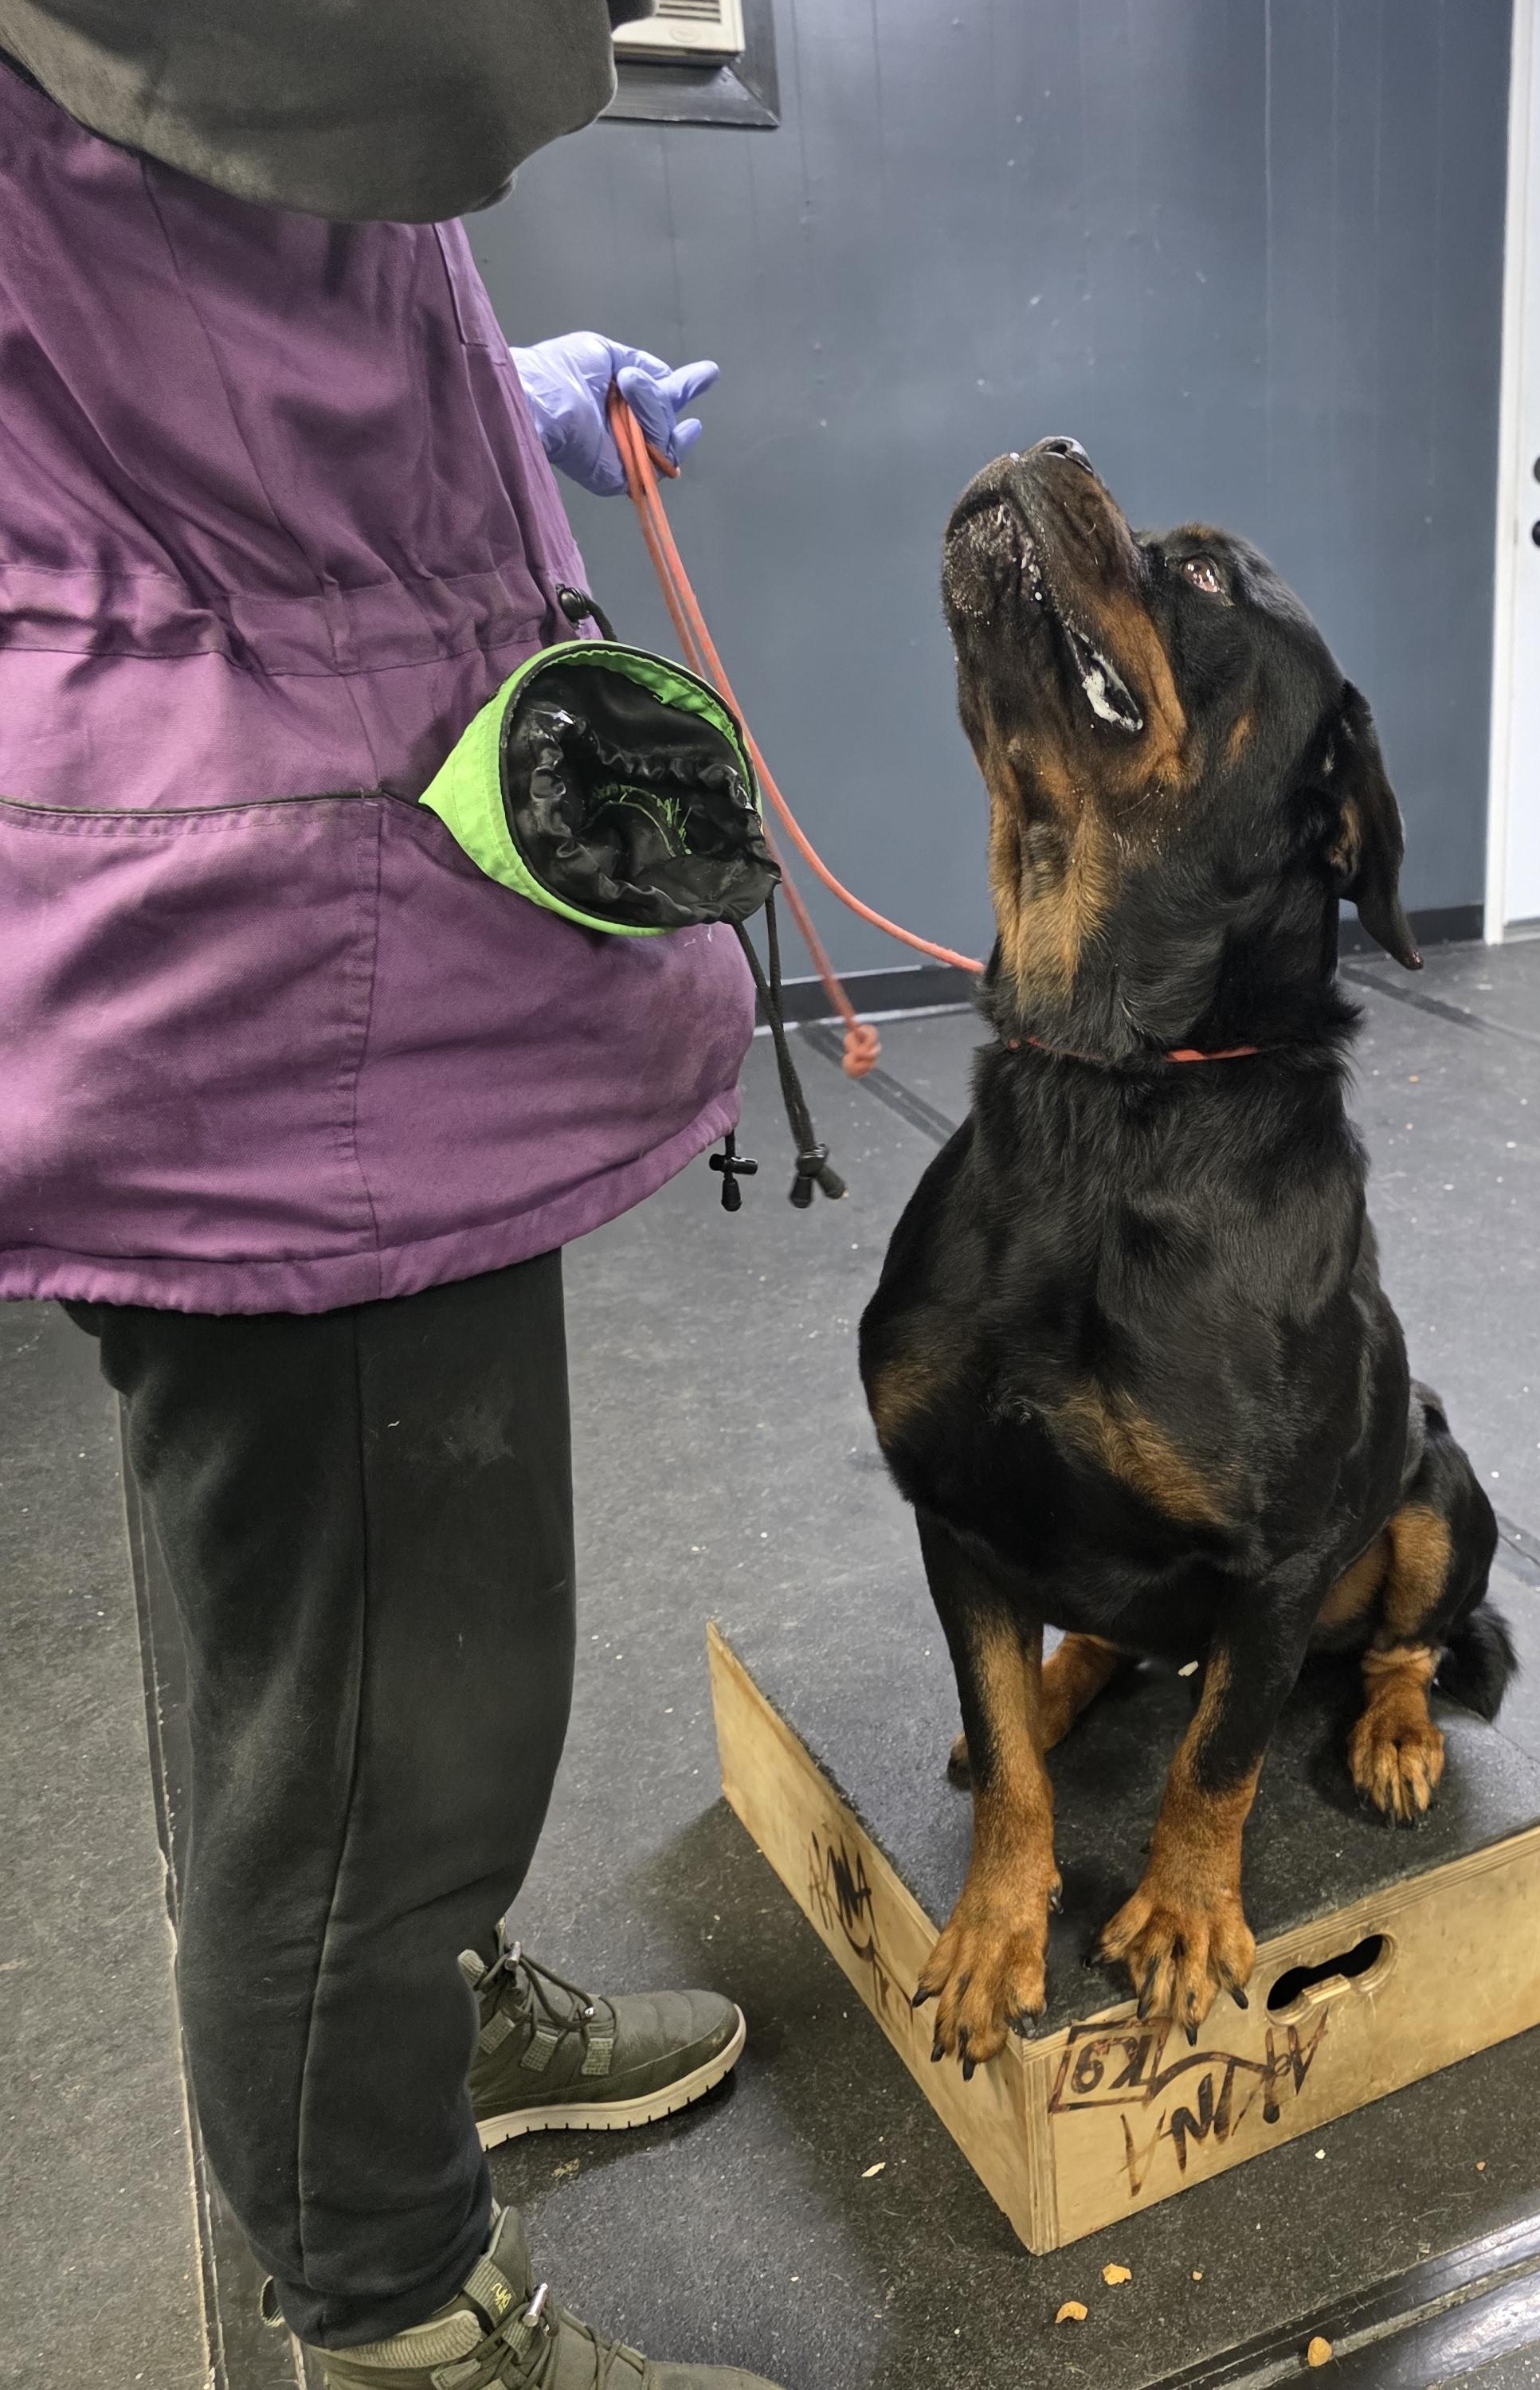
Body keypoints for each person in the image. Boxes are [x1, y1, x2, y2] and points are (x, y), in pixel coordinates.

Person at [0, 6, 787, 2383]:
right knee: (366, 1741)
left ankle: (414, 2034)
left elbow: (188, 320)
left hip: (293, 894)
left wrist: (488, 393)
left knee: (340, 1667)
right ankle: (394, 2311)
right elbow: (446, 50)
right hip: (272, 952)